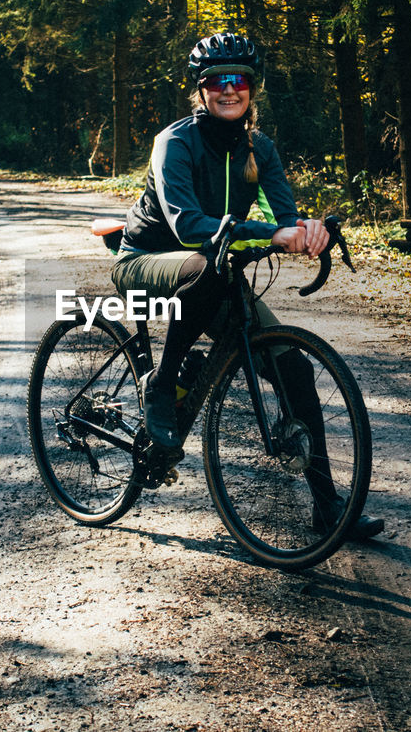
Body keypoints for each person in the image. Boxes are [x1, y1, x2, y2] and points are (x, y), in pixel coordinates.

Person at [111, 32, 383, 540]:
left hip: (212, 268)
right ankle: (163, 385)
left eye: (238, 80)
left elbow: (286, 215)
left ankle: (329, 510)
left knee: (294, 370)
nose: (227, 89)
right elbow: (190, 225)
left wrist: (309, 233)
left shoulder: (261, 148)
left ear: (252, 89)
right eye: (216, 81)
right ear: (201, 90)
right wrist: (269, 233)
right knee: (203, 269)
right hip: (146, 261)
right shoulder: (175, 142)